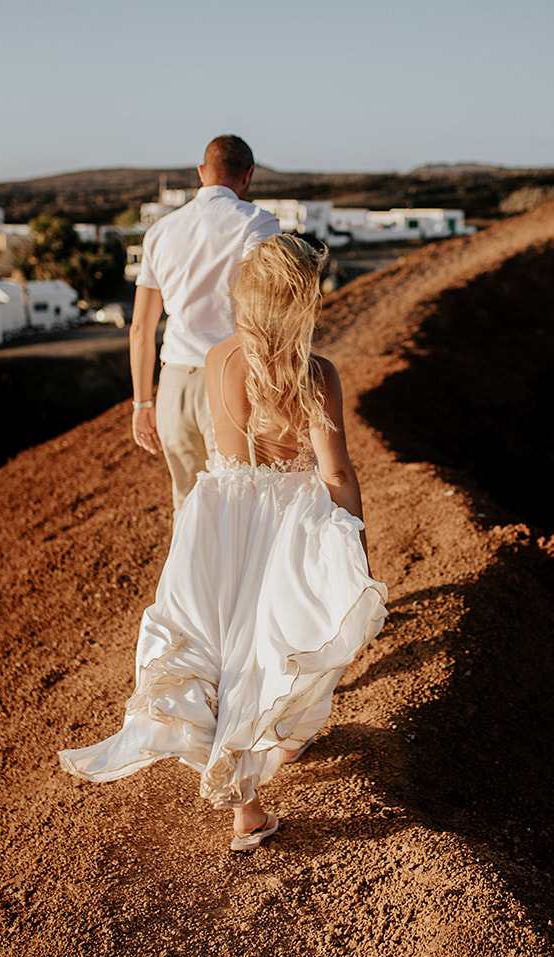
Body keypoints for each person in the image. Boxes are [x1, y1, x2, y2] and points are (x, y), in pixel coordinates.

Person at [60, 235, 387, 852]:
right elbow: (336, 471)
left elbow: (225, 452)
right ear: (300, 302)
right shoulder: (315, 375)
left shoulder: (215, 359)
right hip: (289, 521)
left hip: (219, 514)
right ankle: (265, 765)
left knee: (217, 648)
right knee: (273, 646)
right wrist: (355, 544)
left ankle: (250, 802)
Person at [130, 135, 281, 512]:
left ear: (202, 173)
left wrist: (141, 402)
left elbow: (140, 329)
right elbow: (259, 311)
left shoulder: (160, 232)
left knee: (187, 503)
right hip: (232, 378)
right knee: (238, 501)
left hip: (174, 385)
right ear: (247, 176)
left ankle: (187, 574)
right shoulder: (258, 224)